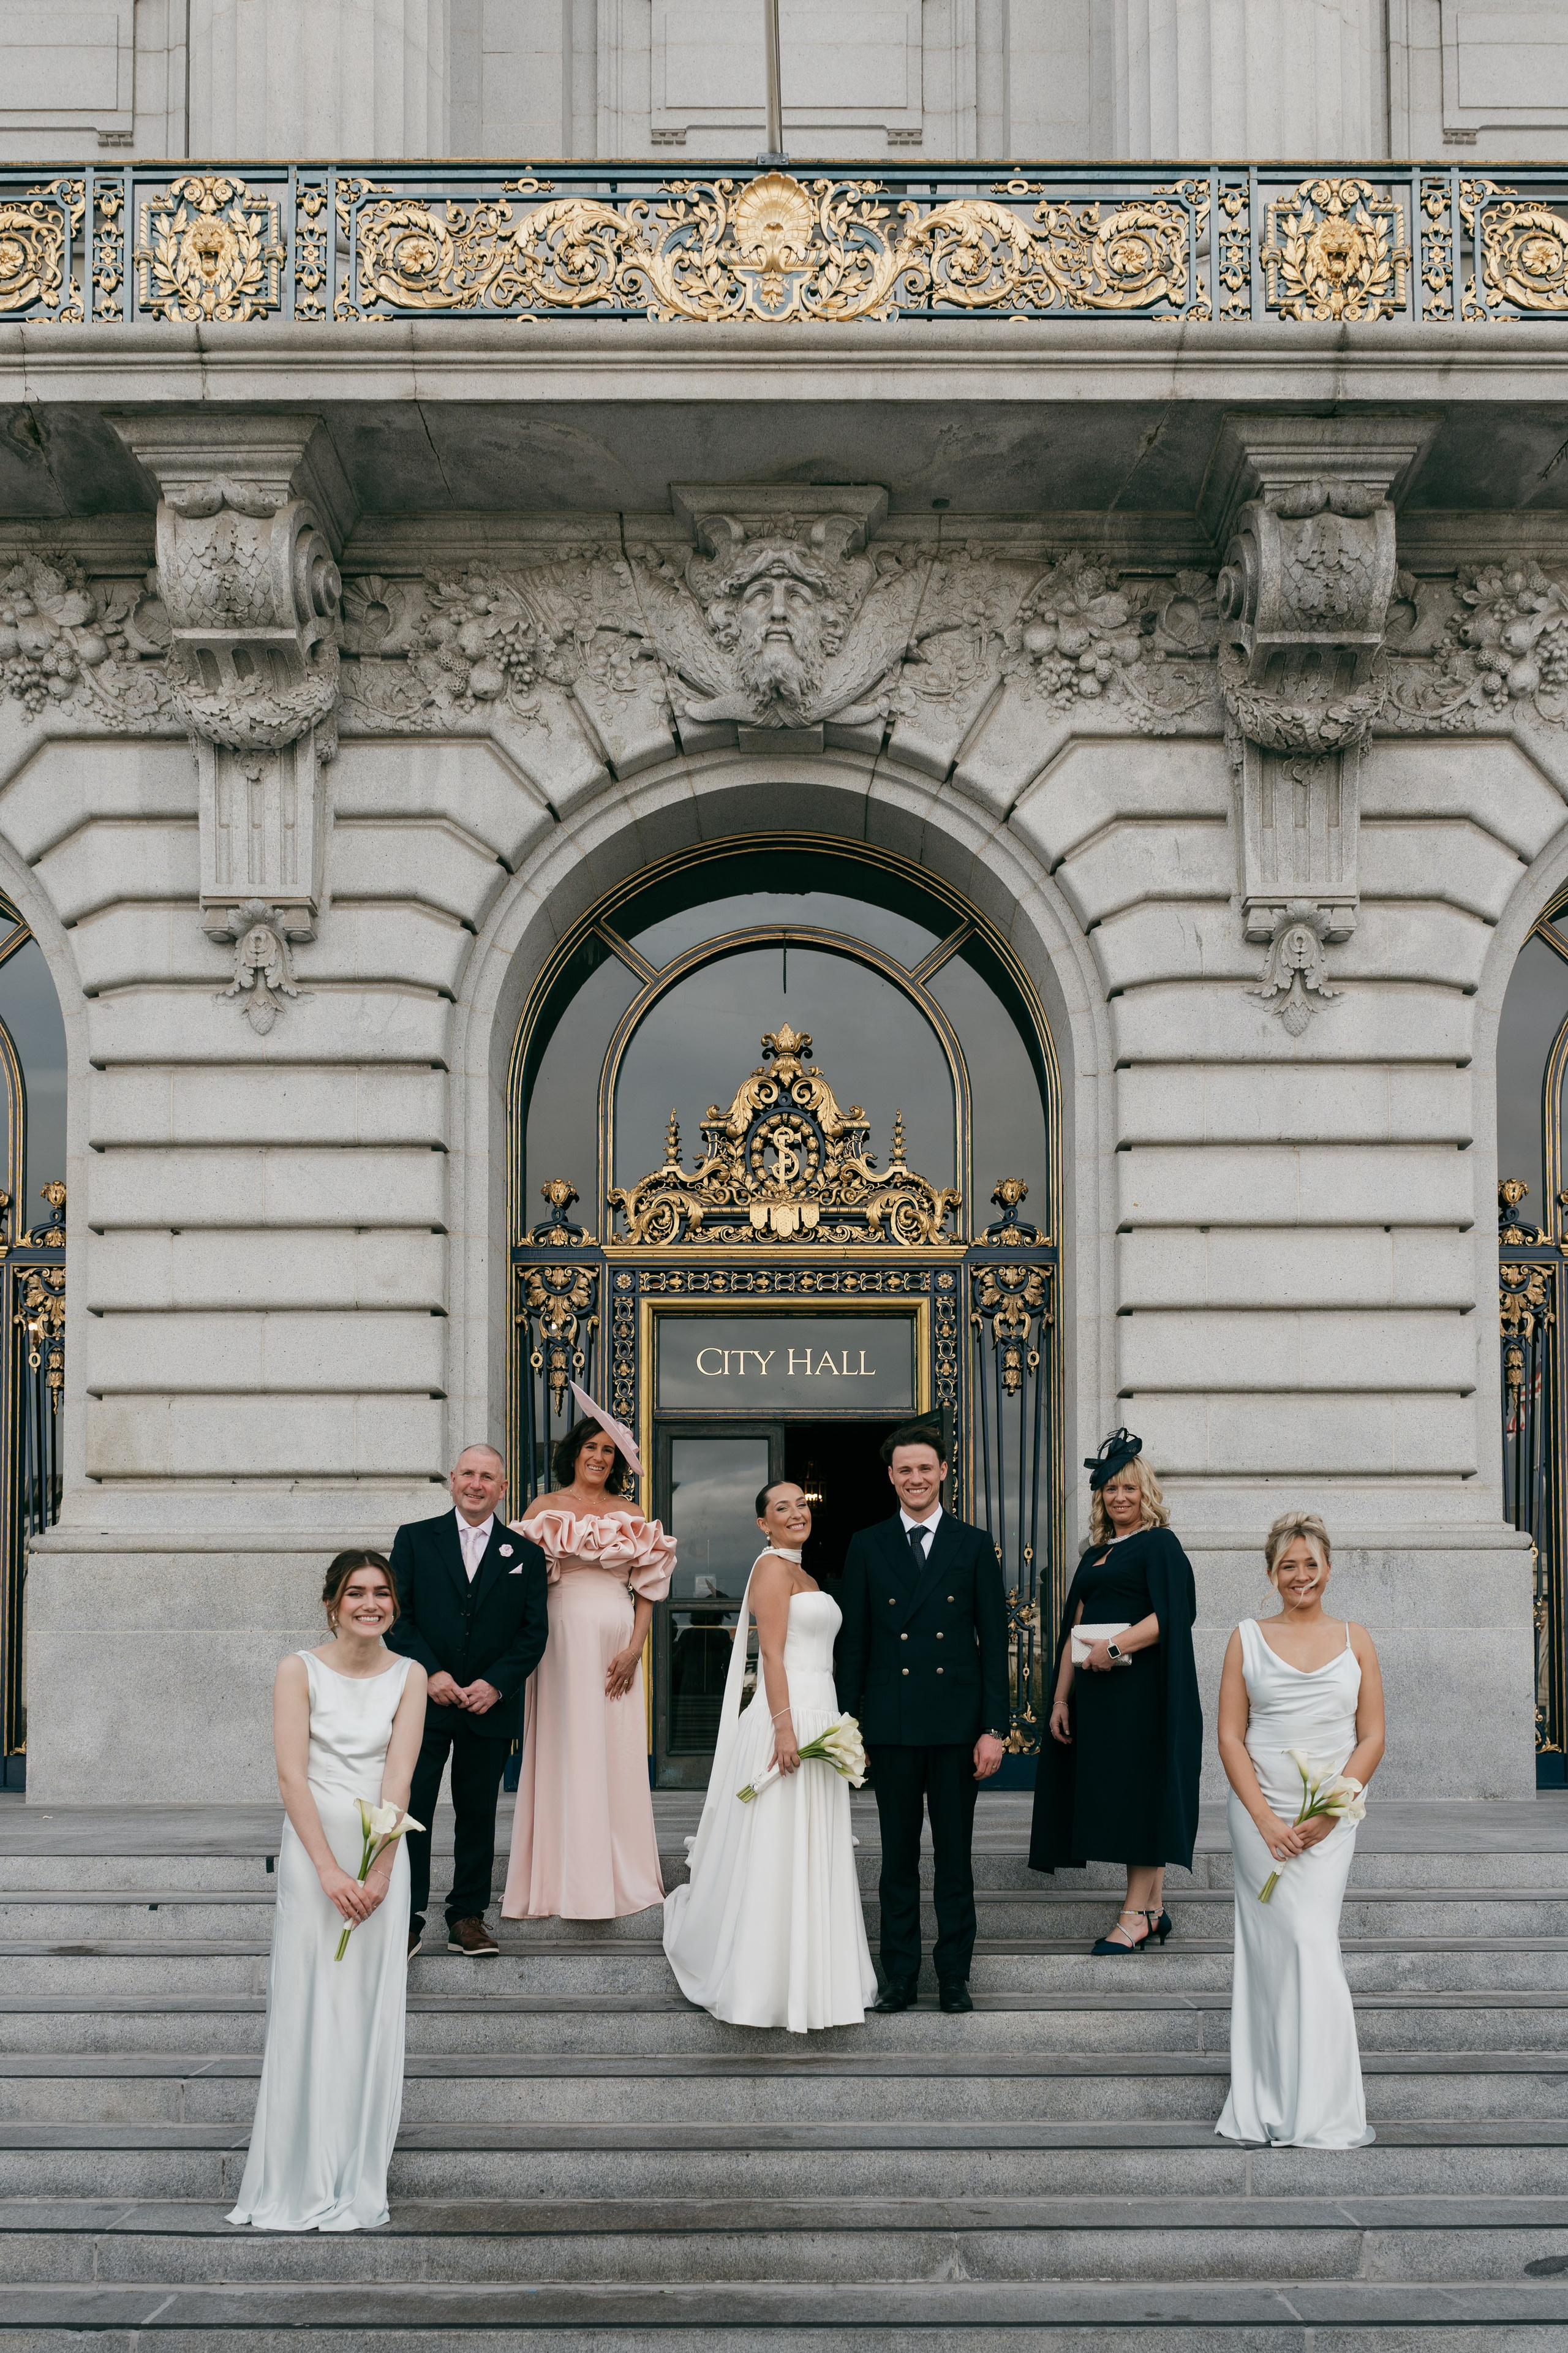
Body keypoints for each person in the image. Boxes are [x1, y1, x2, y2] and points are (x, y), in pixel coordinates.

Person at [227, 1551, 426, 2232]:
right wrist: (331, 1870)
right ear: (332, 1603)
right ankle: (294, 2174)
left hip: (379, 1861)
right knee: (310, 2003)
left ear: (394, 1604)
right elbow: (291, 1777)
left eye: (381, 1593)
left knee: (367, 2012)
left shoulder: (411, 1675)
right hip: (315, 1859)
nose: (369, 1604)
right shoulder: (298, 1670)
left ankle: (354, 2171)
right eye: (355, 1593)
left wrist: (378, 1872)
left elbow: (399, 1782)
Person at [663, 1478, 877, 2030]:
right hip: (789, 1716)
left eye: (801, 1503)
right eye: (782, 1507)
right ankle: (765, 1982)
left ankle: (815, 1978)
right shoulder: (772, 1569)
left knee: (811, 1846)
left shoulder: (805, 1572)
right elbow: (774, 1657)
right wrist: (784, 1729)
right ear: (764, 1523)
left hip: (820, 1713)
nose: (796, 1512)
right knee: (779, 1844)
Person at [1216, 1510, 1385, 2150]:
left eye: (1310, 1563)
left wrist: (1327, 1811)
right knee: (1270, 1954)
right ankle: (1266, 2097)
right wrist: (1264, 1819)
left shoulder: (1356, 1638)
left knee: (1311, 1941)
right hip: (1259, 1815)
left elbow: (1371, 1735)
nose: (1300, 1575)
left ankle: (1323, 2105)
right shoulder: (1245, 1637)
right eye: (1288, 1565)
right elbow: (1230, 1734)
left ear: (1328, 1569)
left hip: (1331, 1817)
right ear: (1271, 1573)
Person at [834, 1420, 1008, 2014]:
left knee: (955, 1860)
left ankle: (954, 1977)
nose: (915, 1478)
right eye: (904, 1469)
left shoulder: (974, 1543)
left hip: (959, 1728)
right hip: (892, 1726)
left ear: (942, 1473)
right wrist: (847, 1727)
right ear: (891, 1476)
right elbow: (854, 1643)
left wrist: (994, 1728)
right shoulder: (866, 1543)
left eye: (925, 1468)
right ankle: (900, 1978)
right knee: (897, 1860)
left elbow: (995, 1642)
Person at [502, 1388, 674, 1921]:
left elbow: (648, 1586)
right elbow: (517, 1582)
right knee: (564, 1742)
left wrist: (636, 1648)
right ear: (574, 1453)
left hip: (616, 1638)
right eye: (591, 1448)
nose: (600, 1457)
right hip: (558, 1640)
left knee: (615, 1748)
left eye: (609, 1451)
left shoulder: (630, 1511)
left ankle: (618, 1874)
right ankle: (561, 1876)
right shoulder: (544, 1508)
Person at [1029, 1428, 1202, 1952]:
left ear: (1144, 1492)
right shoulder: (1094, 1555)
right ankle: (1154, 1908)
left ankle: (1133, 1916)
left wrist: (1115, 1647)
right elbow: (1072, 1633)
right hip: (1100, 1699)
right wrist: (1061, 1699)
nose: (1119, 1497)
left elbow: (1174, 1615)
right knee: (1125, 1793)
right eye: (1109, 1489)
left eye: (1128, 1488)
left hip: (1143, 1695)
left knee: (1141, 1795)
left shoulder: (1160, 1544)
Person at [386, 1444, 549, 1957]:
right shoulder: (414, 1540)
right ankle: (406, 1916)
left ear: (503, 1488)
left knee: (477, 1813)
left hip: (489, 1708)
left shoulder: (524, 1554)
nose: (477, 1484)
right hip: (425, 1703)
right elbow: (396, 1614)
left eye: (489, 1477)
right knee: (413, 1809)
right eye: (469, 1474)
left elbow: (533, 1633)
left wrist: (496, 1683)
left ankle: (466, 1917)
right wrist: (429, 1672)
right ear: (452, 1479)